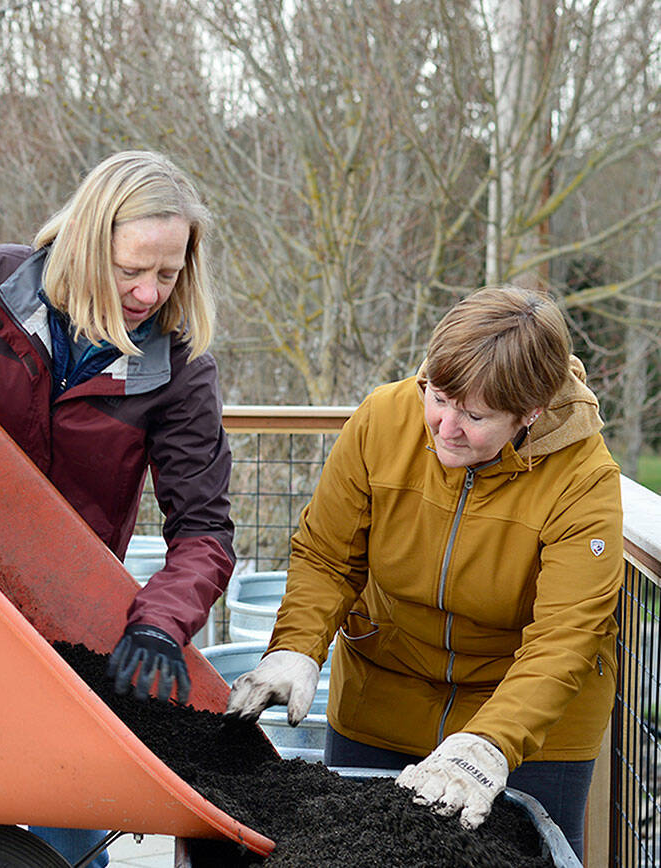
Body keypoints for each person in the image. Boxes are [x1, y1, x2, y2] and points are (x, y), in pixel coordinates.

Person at [0, 150, 236, 867]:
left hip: (60, 633)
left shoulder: (179, 372)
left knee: (68, 831)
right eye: (131, 269)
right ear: (88, 242)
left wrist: (158, 624)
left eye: (169, 273)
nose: (149, 292)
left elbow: (204, 532)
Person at [224, 286, 622, 861]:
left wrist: (491, 742)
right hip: (385, 690)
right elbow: (327, 555)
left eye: (476, 415)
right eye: (439, 396)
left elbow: (564, 638)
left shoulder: (584, 478)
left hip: (529, 721)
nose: (445, 426)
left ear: (528, 413)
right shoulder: (382, 419)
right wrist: (297, 648)